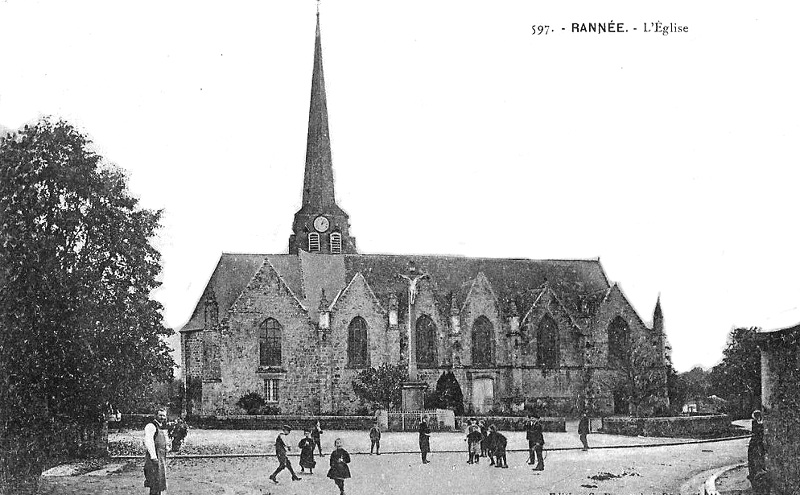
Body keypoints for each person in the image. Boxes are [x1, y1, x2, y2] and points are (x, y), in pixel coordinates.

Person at [143, 407, 168, 495]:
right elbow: (148, 441)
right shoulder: (151, 426)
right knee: (154, 482)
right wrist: (153, 457)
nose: (162, 418)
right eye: (160, 415)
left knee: (160, 482)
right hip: (154, 458)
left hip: (161, 458)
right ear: (155, 415)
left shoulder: (161, 427)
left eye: (164, 416)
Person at [748, 410, 767, 488]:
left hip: (757, 442)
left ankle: (757, 472)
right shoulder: (757, 422)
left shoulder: (757, 422)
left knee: (757, 457)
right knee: (754, 457)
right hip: (757, 442)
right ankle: (755, 472)